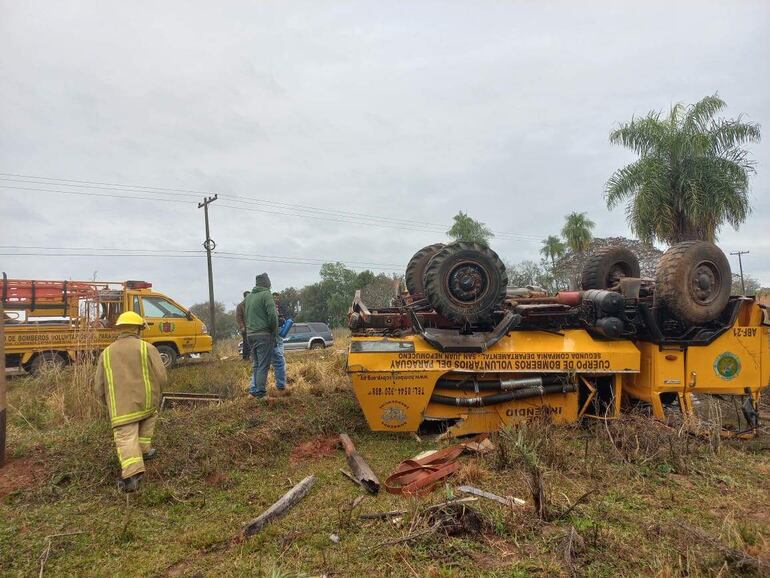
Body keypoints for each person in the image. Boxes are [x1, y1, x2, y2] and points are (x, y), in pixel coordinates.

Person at [94, 311, 167, 492]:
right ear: (137, 329)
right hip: (147, 403)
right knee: (145, 427)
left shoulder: (106, 353)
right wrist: (156, 395)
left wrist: (108, 403)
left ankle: (131, 476)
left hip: (121, 409)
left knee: (126, 438)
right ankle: (142, 455)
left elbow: (98, 386)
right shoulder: (147, 348)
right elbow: (162, 377)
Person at [244, 273, 278, 399]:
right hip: (263, 334)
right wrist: (274, 332)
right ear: (266, 283)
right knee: (263, 364)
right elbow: (273, 316)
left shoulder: (248, 298)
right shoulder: (266, 294)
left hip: (250, 335)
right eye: (269, 282)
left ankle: (253, 392)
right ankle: (261, 394)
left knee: (257, 364)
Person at [271, 292, 288, 392]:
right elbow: (273, 320)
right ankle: (281, 386)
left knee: (280, 355)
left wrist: (282, 318)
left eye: (277, 298)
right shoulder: (270, 307)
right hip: (274, 334)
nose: (276, 299)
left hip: (279, 334)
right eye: (274, 297)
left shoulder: (279, 307)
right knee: (278, 359)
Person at [235, 291, 250, 360]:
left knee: (251, 342)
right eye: (247, 296)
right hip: (245, 327)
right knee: (246, 342)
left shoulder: (252, 305)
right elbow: (239, 317)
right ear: (244, 297)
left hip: (252, 327)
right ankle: (246, 357)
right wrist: (242, 326)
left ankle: (251, 356)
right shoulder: (240, 306)